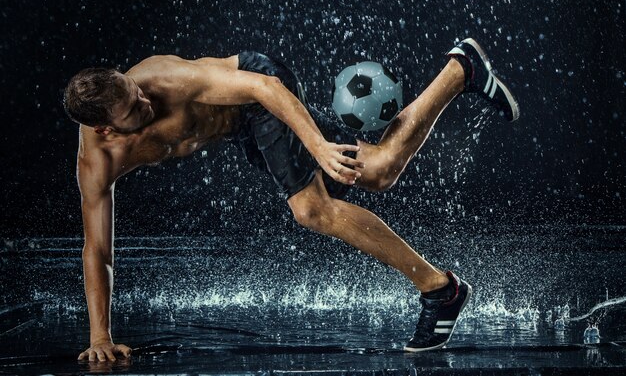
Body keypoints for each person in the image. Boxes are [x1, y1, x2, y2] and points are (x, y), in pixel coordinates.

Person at [64, 38, 519, 362]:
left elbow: (265, 88)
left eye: (136, 91)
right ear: (105, 129)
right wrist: (99, 335)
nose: (145, 100)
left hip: (262, 88)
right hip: (245, 127)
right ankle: (462, 71)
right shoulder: (97, 164)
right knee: (379, 171)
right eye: (134, 109)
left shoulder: (166, 80)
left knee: (310, 209)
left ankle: (440, 291)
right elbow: (97, 250)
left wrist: (318, 147)